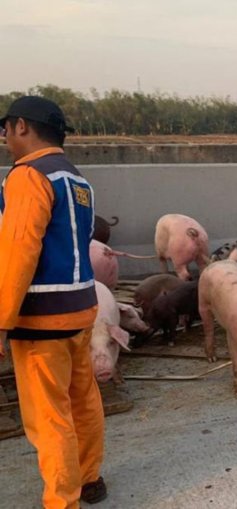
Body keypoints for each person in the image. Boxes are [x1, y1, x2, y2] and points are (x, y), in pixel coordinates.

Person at [0, 96, 107, 507]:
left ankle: (62, 500)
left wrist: (2, 319)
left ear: (23, 126)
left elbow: (18, 252)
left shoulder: (28, 176)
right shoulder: (76, 179)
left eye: (6, 129)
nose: (5, 137)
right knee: (82, 400)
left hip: (40, 321)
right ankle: (90, 478)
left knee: (49, 416)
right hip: (80, 310)